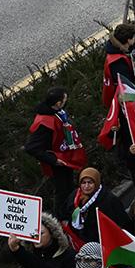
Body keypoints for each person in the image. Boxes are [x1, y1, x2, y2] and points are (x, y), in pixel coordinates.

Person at [24, 86, 87, 218]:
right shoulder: (45, 122)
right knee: (62, 191)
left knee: (69, 187)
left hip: (66, 157)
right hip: (58, 162)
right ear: (58, 103)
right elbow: (31, 147)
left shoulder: (57, 114)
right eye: (64, 99)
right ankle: (63, 218)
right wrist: (53, 160)